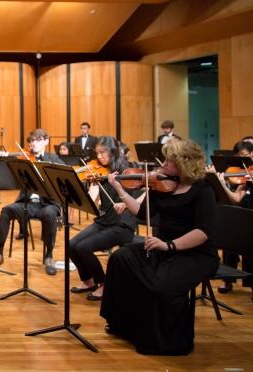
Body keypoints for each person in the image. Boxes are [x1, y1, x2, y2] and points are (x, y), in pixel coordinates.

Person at [101, 139, 219, 355]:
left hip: (195, 254)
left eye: (168, 161)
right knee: (120, 259)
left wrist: (169, 245)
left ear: (185, 164)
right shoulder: (162, 185)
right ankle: (125, 325)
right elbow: (141, 212)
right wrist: (119, 189)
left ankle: (167, 341)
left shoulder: (203, 191)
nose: (162, 164)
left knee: (160, 286)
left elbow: (204, 232)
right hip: (162, 248)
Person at [69, 136, 142, 301]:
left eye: (103, 153)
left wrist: (126, 200)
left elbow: (141, 194)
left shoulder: (127, 171)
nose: (99, 157)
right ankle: (88, 281)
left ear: (113, 152)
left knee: (83, 248)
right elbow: (93, 198)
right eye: (97, 153)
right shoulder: (99, 171)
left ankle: (103, 284)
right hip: (105, 221)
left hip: (122, 225)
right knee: (72, 245)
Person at [0, 129, 63, 276]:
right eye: (30, 141)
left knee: (49, 214)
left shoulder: (54, 159)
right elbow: (10, 177)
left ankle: (48, 255)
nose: (32, 143)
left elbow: (61, 179)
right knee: (6, 210)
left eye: (37, 140)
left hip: (48, 204)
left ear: (46, 141)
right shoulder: (24, 159)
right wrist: (5, 159)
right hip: (28, 203)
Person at [208, 140, 253, 294]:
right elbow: (235, 199)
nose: (243, 161)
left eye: (246, 156)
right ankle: (228, 280)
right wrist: (221, 182)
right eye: (239, 157)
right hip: (243, 214)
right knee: (230, 235)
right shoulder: (244, 177)